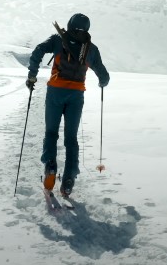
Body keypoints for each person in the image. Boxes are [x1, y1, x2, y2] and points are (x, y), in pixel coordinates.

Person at [27, 13, 109, 197]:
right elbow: (104, 76)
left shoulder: (58, 40)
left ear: (70, 24)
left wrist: (32, 75)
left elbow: (38, 50)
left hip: (55, 92)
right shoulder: (91, 49)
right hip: (76, 96)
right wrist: (102, 83)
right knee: (71, 138)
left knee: (51, 132)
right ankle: (70, 176)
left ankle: (50, 166)